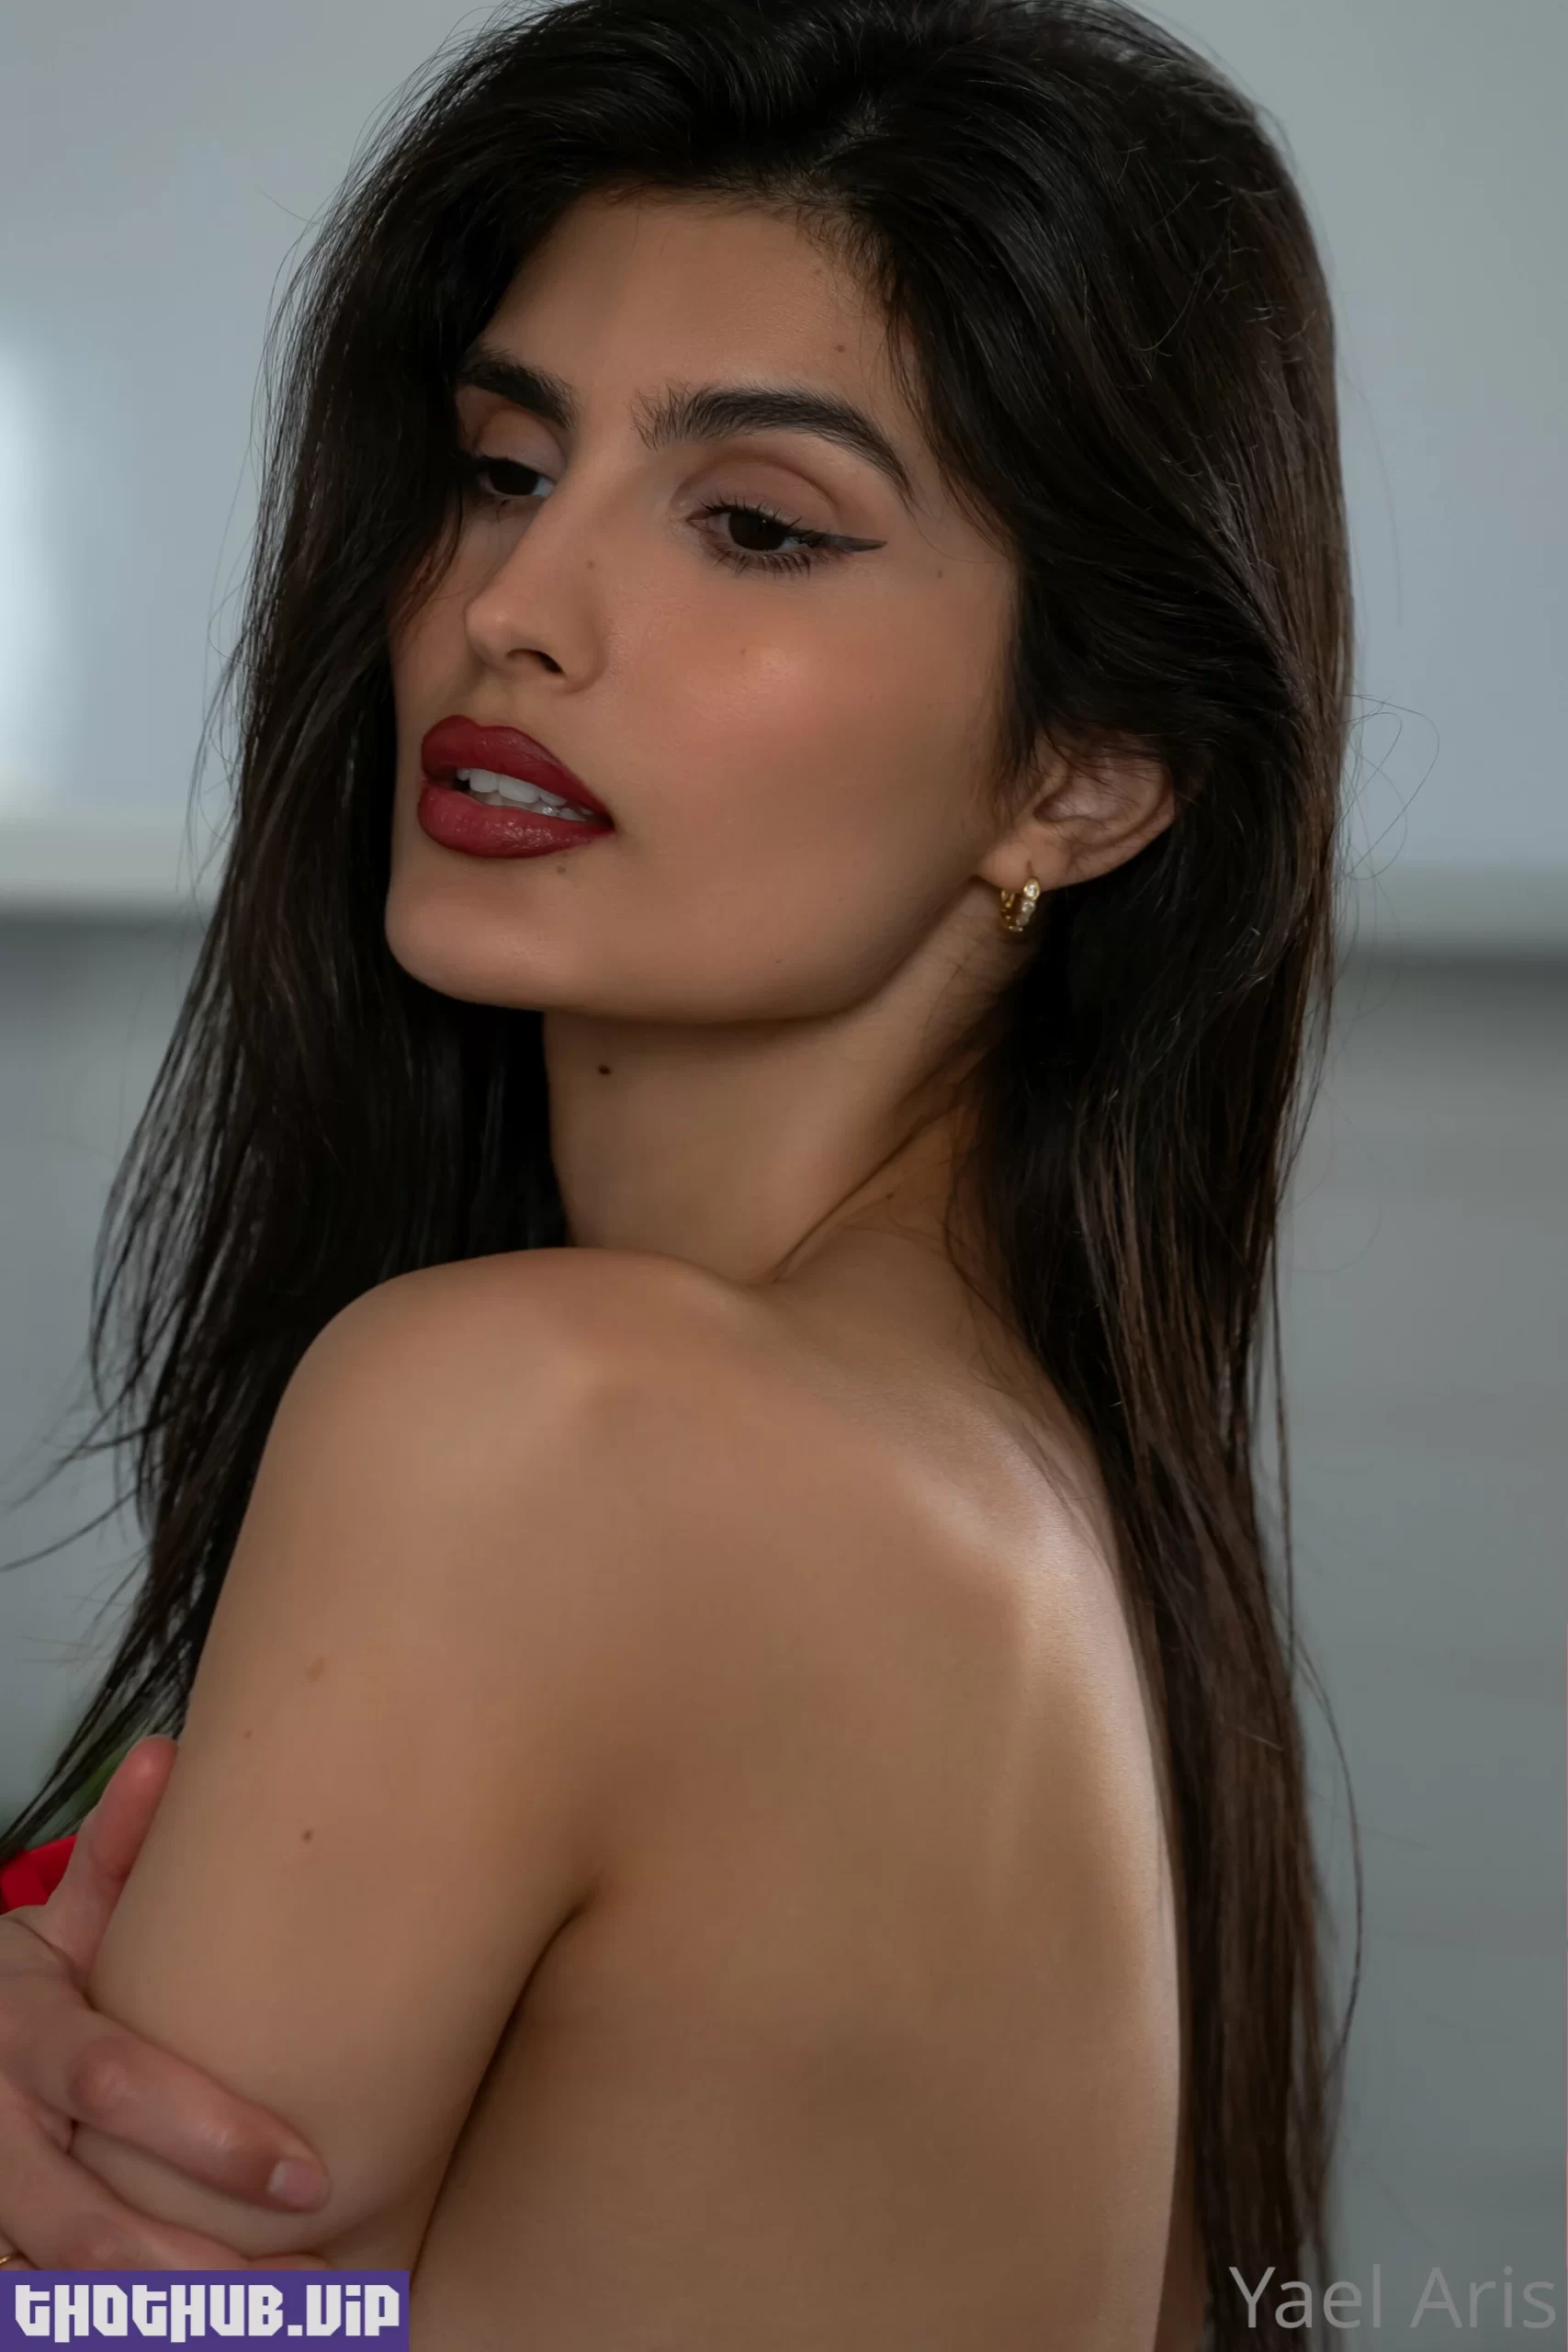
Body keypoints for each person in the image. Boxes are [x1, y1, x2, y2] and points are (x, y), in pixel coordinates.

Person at [0, 0, 1358, 2341]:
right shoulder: (1033, 1510)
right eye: (502, 465)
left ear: (1086, 773)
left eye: (755, 524)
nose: (510, 607)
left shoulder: (546, 1421)